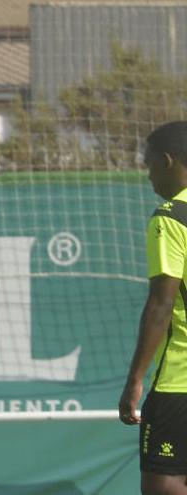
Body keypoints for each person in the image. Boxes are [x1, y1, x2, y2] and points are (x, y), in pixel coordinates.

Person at [120, 120, 187, 495]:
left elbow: (161, 305)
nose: (147, 176)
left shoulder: (172, 217)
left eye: (148, 166)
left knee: (164, 485)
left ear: (168, 161)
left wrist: (135, 381)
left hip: (179, 383)